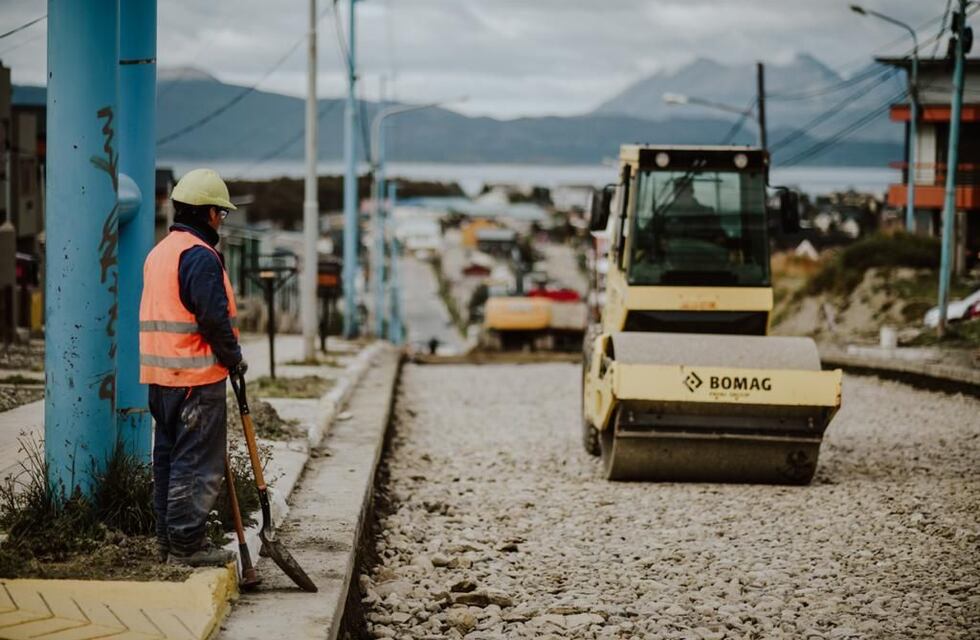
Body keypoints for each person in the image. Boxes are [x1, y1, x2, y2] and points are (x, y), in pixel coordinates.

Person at [139, 168, 247, 566]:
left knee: (167, 460)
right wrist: (233, 358)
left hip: (160, 379)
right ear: (208, 213)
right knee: (196, 463)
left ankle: (167, 543)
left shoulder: (160, 253)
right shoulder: (199, 256)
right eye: (221, 212)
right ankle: (188, 545)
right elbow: (213, 318)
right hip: (195, 378)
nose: (222, 220)